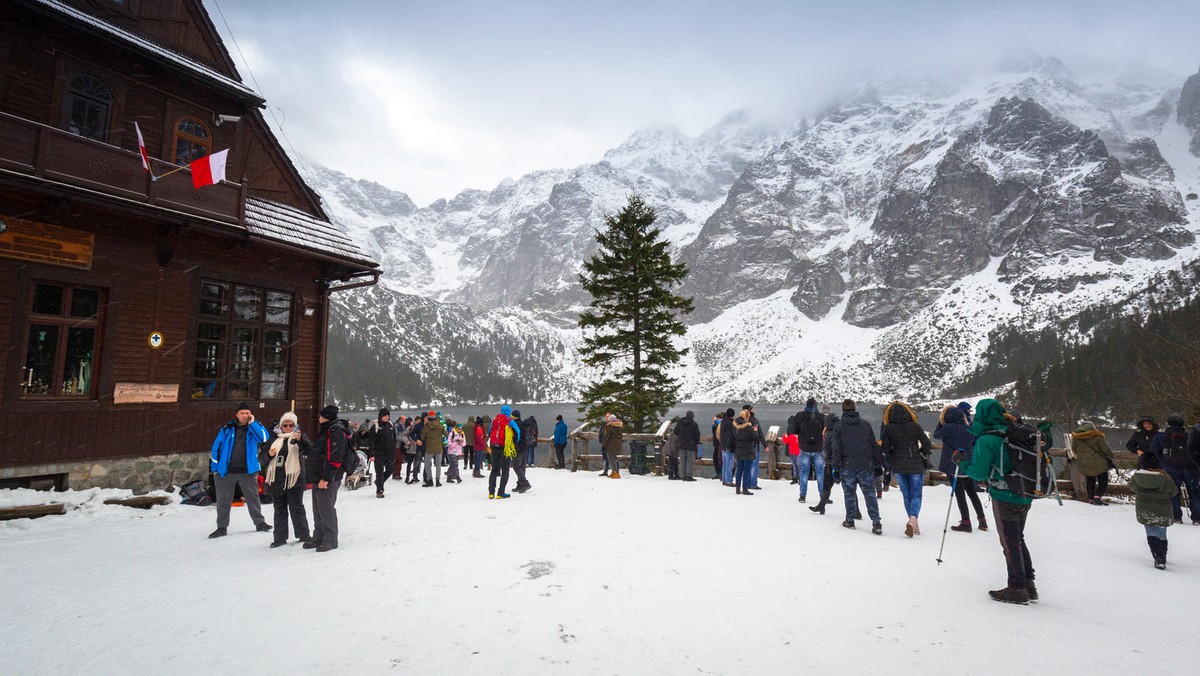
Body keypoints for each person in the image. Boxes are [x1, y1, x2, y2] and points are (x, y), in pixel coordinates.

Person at [956, 399, 1036, 605]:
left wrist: (962, 462)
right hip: (1025, 493)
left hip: (1004, 496)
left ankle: (1017, 588)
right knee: (1018, 538)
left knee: (1009, 542)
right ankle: (1029, 585)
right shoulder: (1014, 431)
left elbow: (978, 472)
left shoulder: (987, 440)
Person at [208, 401, 271, 539]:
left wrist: (253, 424)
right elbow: (216, 448)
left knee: (253, 498)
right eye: (242, 413)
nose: (244, 415)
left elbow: (265, 438)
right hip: (226, 470)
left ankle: (260, 523)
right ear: (236, 414)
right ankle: (221, 527)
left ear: (251, 415)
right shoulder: (227, 429)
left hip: (247, 470)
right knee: (223, 500)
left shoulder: (254, 428)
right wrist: (215, 469)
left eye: (247, 413)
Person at [258, 411, 311, 548]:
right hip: (276, 480)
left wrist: (301, 441)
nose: (288, 428)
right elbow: (261, 459)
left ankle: (303, 534)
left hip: (294, 479)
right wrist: (268, 455)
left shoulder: (299, 437)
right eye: (285, 425)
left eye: (291, 425)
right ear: (281, 426)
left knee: (297, 508)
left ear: (295, 426)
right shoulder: (273, 439)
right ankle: (279, 538)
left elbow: (310, 451)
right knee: (279, 510)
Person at [880, 401, 932, 537]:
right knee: (916, 494)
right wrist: (920, 452)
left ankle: (913, 522)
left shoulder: (888, 428)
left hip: (898, 465)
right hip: (915, 463)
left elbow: (885, 448)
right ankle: (913, 519)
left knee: (906, 494)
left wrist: (892, 457)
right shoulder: (915, 426)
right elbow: (927, 443)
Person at [830, 399, 882, 534]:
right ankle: (876, 522)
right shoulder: (865, 425)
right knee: (870, 493)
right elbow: (873, 445)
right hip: (865, 464)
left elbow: (837, 449)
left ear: (843, 410)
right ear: (855, 409)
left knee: (849, 494)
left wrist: (835, 467)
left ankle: (850, 520)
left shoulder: (839, 426)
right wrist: (879, 463)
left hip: (847, 465)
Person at [934, 405, 987, 533]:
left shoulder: (947, 428)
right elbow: (975, 441)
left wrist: (941, 423)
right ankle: (982, 520)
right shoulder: (969, 428)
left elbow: (936, 435)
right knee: (972, 493)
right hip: (967, 464)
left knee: (959, 493)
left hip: (952, 464)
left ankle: (966, 521)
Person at [306, 405, 350, 552]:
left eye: (321, 415)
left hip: (328, 477)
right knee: (317, 508)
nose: (319, 418)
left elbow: (335, 458)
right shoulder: (327, 430)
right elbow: (317, 452)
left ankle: (330, 539)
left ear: (327, 417)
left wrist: (326, 478)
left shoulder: (335, 431)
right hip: (318, 476)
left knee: (325, 508)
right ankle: (318, 536)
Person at [1130, 453, 1178, 569]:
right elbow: (1173, 492)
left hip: (1145, 510)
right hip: (1163, 509)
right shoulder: (1165, 478)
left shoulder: (1137, 477)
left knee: (1151, 532)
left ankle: (1159, 557)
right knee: (1162, 533)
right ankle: (1163, 555)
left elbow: (1132, 487)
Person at [1151, 414, 1200, 524]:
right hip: (1191, 468)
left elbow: (1154, 451)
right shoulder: (1189, 434)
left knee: (1173, 493)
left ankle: (1176, 516)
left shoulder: (1161, 436)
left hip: (1171, 469)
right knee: (1194, 493)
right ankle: (1197, 517)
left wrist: (1164, 463)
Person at [1071, 421, 1115, 505]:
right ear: (1092, 427)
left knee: (1090, 481)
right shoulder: (1097, 437)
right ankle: (1097, 498)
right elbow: (1105, 450)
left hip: (1085, 463)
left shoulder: (1076, 438)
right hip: (1099, 463)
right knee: (1103, 481)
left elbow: (1074, 450)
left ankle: (1091, 499)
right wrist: (1111, 455)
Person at [792, 398, 826, 503]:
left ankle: (802, 496)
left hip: (805, 448)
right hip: (818, 448)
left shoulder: (799, 416)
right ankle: (823, 496)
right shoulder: (822, 417)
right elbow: (825, 432)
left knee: (804, 473)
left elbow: (794, 430)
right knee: (820, 474)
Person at [809, 408, 839, 515]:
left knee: (827, 486)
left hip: (831, 463)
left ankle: (821, 506)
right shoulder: (840, 432)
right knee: (848, 488)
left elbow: (826, 451)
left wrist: (825, 458)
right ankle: (856, 511)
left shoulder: (828, 434)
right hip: (843, 463)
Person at [488, 405, 520, 498]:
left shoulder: (495, 420)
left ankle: (491, 492)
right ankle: (500, 492)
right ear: (509, 412)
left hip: (494, 448)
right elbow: (517, 433)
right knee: (505, 471)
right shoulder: (510, 421)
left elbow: (490, 432)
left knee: (494, 470)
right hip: (504, 448)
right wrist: (512, 443)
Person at [371, 407, 397, 498]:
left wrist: (394, 448)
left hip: (389, 452)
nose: (387, 417)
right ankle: (380, 490)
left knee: (390, 469)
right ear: (381, 416)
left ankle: (379, 482)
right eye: (385, 416)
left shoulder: (390, 425)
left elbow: (394, 437)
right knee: (379, 472)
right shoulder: (375, 426)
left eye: (388, 416)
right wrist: (371, 454)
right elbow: (371, 441)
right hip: (379, 453)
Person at [732, 409, 757, 495]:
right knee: (746, 470)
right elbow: (755, 438)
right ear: (746, 417)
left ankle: (738, 488)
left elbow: (733, 438)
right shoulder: (748, 428)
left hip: (738, 450)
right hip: (748, 451)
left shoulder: (735, 427)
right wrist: (755, 431)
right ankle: (745, 488)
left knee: (739, 470)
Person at [419, 410, 446, 487]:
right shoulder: (440, 424)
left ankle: (430, 480)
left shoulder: (426, 426)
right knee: (438, 464)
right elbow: (446, 434)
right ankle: (437, 481)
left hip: (429, 447)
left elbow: (422, 437)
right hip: (439, 447)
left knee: (427, 464)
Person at [674, 410, 701, 482]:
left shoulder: (680, 423)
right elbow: (697, 434)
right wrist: (696, 442)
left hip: (681, 444)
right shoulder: (694, 424)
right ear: (692, 416)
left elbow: (675, 432)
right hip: (691, 445)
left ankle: (683, 475)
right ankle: (689, 475)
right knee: (690, 461)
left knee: (682, 460)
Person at [743, 404, 765, 490]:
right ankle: (753, 483)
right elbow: (759, 433)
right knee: (754, 465)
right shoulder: (754, 420)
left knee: (745, 465)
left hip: (743, 446)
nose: (754, 410)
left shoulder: (740, 420)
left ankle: (746, 483)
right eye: (752, 409)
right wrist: (764, 444)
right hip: (753, 445)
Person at [510, 410, 533, 493]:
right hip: (524, 447)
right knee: (522, 466)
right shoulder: (523, 424)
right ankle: (520, 485)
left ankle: (525, 483)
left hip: (518, 448)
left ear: (513, 417)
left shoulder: (514, 425)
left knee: (516, 466)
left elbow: (514, 438)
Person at [718, 408, 736, 486]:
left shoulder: (723, 422)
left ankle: (724, 479)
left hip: (723, 445)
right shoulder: (730, 423)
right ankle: (728, 480)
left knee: (725, 464)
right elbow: (730, 436)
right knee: (729, 464)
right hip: (728, 446)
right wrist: (731, 446)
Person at [602, 413, 624, 478]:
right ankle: (614, 472)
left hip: (611, 444)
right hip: (617, 444)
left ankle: (616, 473)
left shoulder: (610, 426)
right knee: (614, 458)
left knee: (610, 458)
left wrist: (604, 444)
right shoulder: (619, 426)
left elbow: (607, 436)